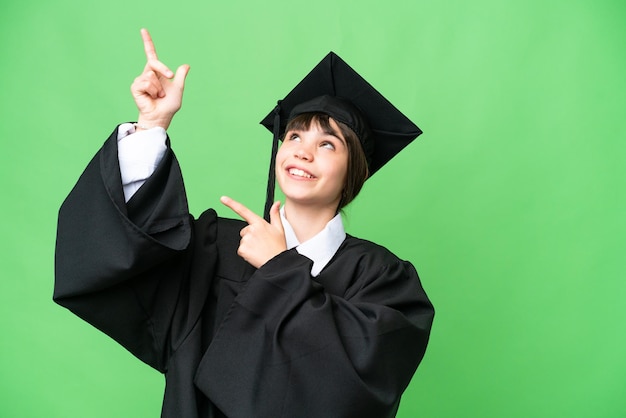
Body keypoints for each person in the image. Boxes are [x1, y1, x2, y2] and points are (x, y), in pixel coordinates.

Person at [54, 28, 435, 418]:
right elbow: (114, 254)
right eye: (294, 136)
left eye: (327, 144)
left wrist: (278, 268)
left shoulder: (383, 279)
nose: (303, 152)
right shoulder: (214, 247)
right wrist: (152, 125)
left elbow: (353, 393)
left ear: (353, 171)